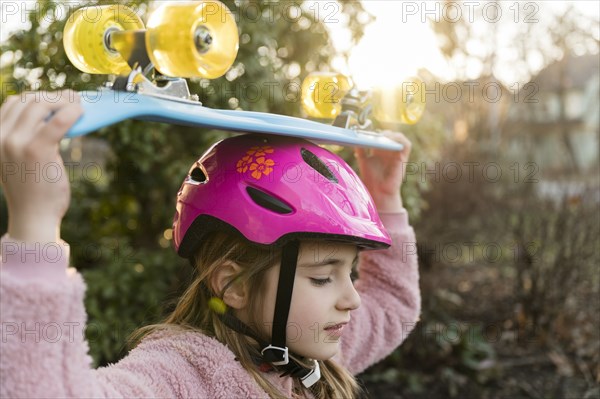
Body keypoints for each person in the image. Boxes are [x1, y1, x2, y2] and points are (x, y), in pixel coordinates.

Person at [0, 90, 420, 398]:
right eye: (323, 277)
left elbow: (393, 306)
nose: (353, 299)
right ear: (232, 285)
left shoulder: (309, 353)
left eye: (350, 272)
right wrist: (35, 224)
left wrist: (385, 199)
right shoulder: (180, 375)